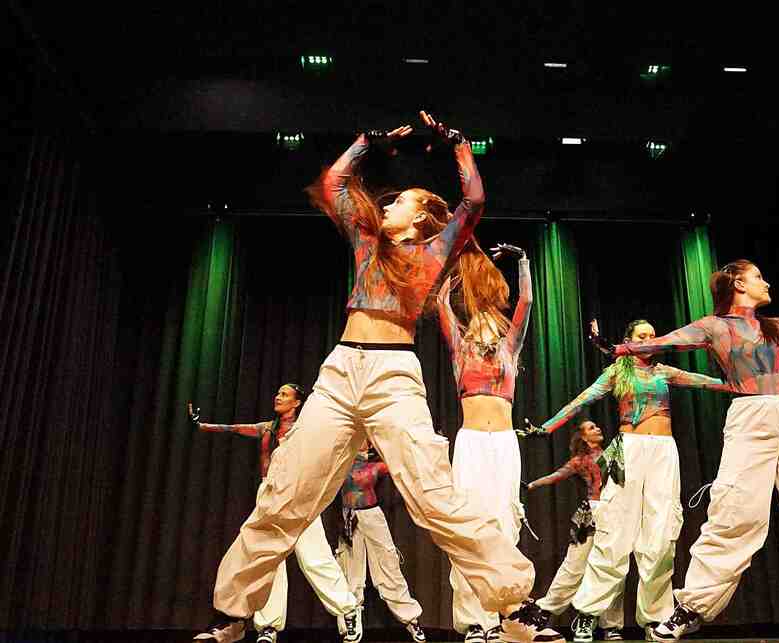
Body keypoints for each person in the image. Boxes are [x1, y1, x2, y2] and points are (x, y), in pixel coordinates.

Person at [193, 111, 561, 643]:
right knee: (284, 493)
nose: (386, 205)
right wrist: (367, 142)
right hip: (340, 373)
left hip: (393, 377)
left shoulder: (435, 251)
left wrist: (459, 147)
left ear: (421, 216)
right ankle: (232, 612)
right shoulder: (367, 241)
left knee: (434, 497)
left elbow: (474, 201)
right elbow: (334, 183)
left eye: (399, 201)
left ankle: (514, 606)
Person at [603, 260, 779, 642]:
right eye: (758, 277)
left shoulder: (776, 327)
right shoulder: (714, 326)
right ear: (737, 283)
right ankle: (691, 607)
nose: (767, 283)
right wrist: (617, 347)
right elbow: (666, 341)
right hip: (751, 418)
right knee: (735, 515)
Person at [535, 320, 728, 643]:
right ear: (628, 341)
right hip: (631, 449)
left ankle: (656, 617)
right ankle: (587, 613)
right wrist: (548, 427)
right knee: (614, 534)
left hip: (663, 452)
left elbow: (706, 382)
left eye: (653, 335)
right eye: (642, 336)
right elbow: (582, 400)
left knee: (661, 535)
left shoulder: (663, 372)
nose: (649, 340)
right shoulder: (617, 372)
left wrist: (744, 383)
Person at [189, 384, 358, 643]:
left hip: (298, 494)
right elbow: (235, 428)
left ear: (297, 403)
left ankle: (347, 609)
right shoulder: (268, 428)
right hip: (268, 493)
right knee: (267, 561)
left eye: (284, 394)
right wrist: (202, 426)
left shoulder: (306, 430)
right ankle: (268, 626)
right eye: (277, 393)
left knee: (314, 557)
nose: (278, 397)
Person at [436, 241, 532, 643]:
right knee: (470, 525)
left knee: (505, 523)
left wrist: (522, 260)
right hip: (472, 443)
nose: (486, 323)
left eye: (493, 320)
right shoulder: (461, 352)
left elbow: (525, 301)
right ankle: (474, 620)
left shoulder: (510, 350)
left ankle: (503, 617)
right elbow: (441, 302)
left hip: (504, 444)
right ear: (470, 328)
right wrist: (455, 269)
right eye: (478, 320)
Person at [527, 420, 624, 641]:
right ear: (582, 437)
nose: (598, 428)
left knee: (613, 568)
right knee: (574, 566)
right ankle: (546, 610)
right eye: (591, 428)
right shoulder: (579, 461)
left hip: (614, 512)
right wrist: (532, 484)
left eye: (597, 426)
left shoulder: (614, 453)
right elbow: (556, 476)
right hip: (590, 516)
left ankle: (611, 624)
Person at [335, 439, 426, 643]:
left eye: (364, 439)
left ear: (369, 444)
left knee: (389, 567)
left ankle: (411, 618)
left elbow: (402, 464)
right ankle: (350, 619)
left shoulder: (375, 466)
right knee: (350, 571)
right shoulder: (340, 464)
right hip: (349, 517)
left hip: (372, 516)